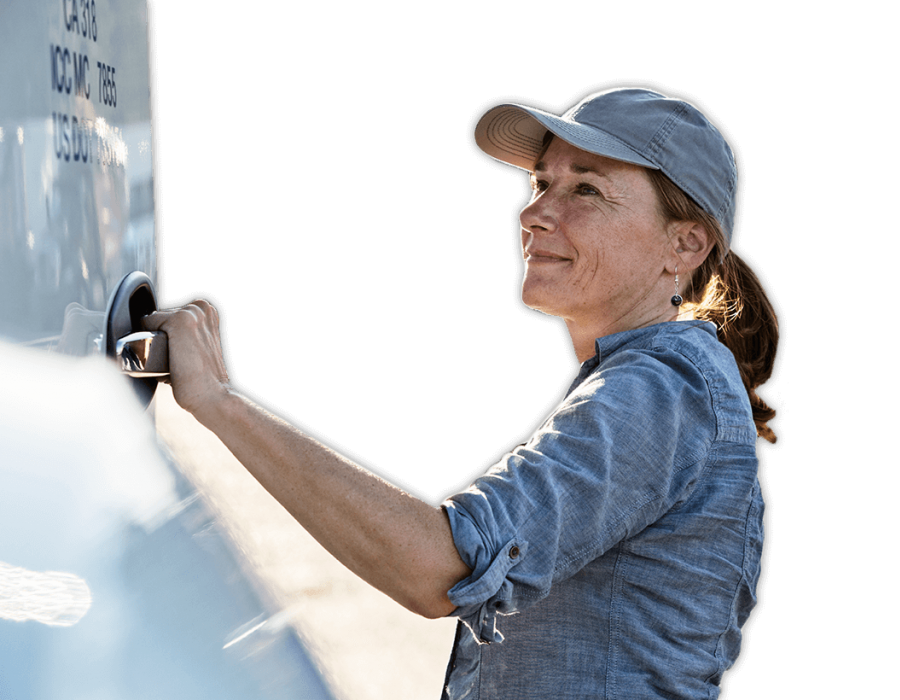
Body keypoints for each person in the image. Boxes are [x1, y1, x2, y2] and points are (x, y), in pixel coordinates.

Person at [144, 86, 778, 699]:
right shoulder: (656, 378)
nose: (534, 214)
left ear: (684, 245)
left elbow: (441, 569)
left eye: (586, 189)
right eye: (540, 184)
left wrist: (219, 401)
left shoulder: (660, 386)